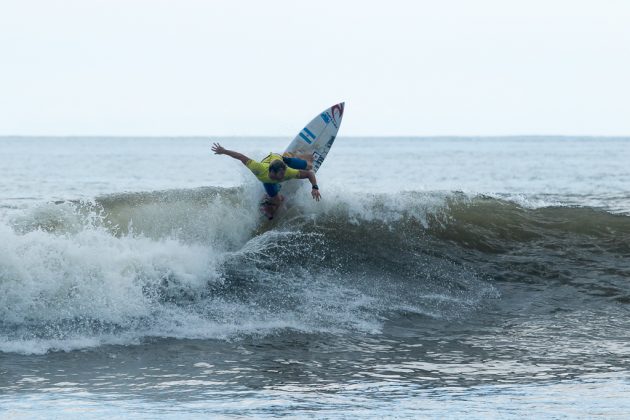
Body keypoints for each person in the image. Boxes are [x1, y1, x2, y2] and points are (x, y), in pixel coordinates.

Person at [211, 142, 321, 216]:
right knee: (277, 200)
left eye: (284, 173)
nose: (283, 176)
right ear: (272, 172)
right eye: (281, 175)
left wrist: (315, 187)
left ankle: (296, 154)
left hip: (282, 159)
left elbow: (309, 174)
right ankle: (271, 201)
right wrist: (224, 151)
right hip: (268, 179)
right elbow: (241, 157)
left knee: (310, 165)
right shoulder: (258, 169)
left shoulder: (287, 171)